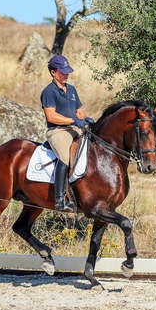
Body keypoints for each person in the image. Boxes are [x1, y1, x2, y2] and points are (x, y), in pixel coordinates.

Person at [41, 54, 94, 212]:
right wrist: (72, 121)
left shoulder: (71, 89)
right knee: (65, 157)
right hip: (58, 131)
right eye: (63, 72)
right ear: (53, 72)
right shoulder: (48, 91)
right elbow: (51, 116)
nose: (66, 74)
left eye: (67, 71)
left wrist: (88, 120)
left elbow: (79, 112)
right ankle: (59, 200)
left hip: (74, 128)